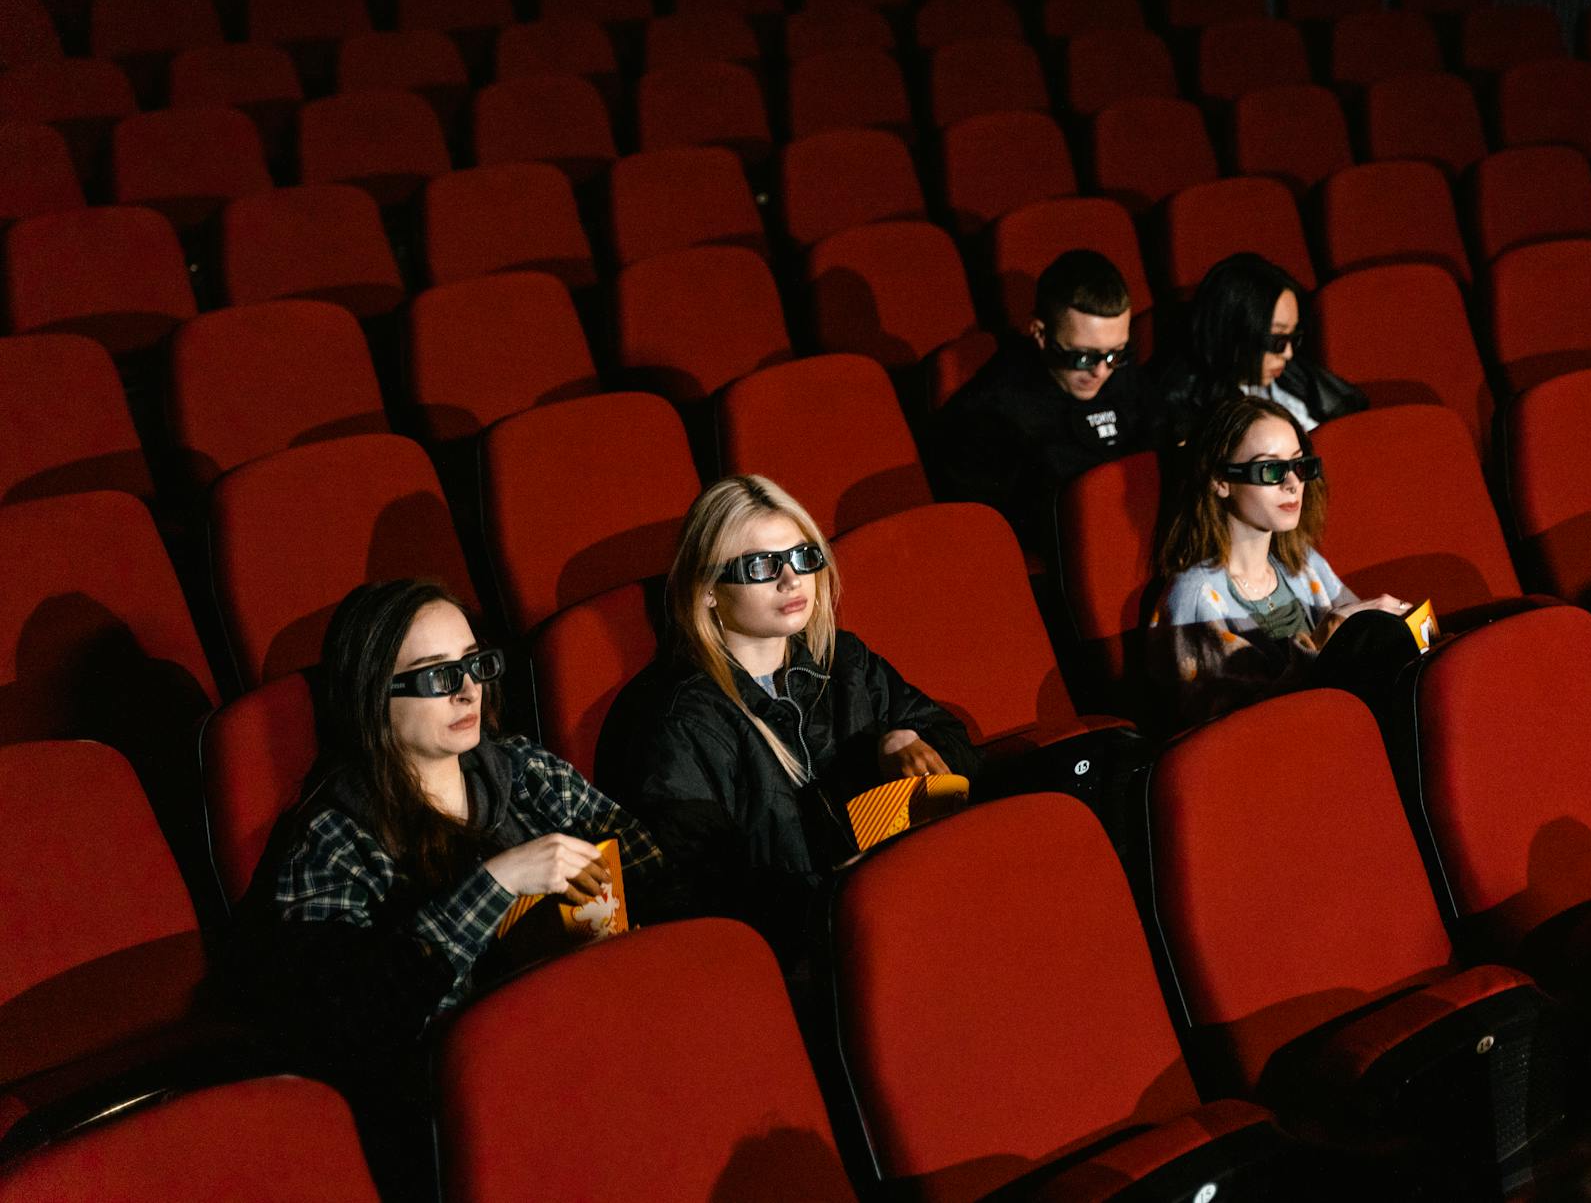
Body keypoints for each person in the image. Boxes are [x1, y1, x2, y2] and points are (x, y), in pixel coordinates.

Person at [258, 578, 675, 1194]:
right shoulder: (331, 839)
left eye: (474, 664)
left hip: (597, 1043)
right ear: (373, 696)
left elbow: (657, 873)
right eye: (436, 676)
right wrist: (498, 881)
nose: (468, 690)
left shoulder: (524, 771)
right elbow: (355, 1020)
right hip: (467, 1112)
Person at [595, 475, 979, 961]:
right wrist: (840, 892)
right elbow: (700, 890)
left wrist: (900, 741)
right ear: (707, 589)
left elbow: (962, 753)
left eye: (803, 556)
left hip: (896, 911)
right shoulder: (675, 719)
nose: (791, 579)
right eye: (761, 565)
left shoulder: (845, 661)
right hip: (796, 958)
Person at [1149, 395, 1420, 729]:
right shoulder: (1194, 596)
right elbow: (1239, 728)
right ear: (1220, 481)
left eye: (1299, 465)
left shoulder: (1303, 563)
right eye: (1271, 470)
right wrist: (1326, 636)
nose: (1293, 484)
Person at [933, 248, 1164, 552]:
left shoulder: (1119, 370)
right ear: (1040, 333)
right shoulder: (990, 414)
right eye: (1082, 357)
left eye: (1115, 354)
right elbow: (985, 536)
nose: (1101, 371)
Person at [1162, 252, 1366, 443]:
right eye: (1277, 340)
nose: (1288, 353)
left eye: (1293, 338)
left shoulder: (1294, 377)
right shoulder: (1184, 410)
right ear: (1234, 334)